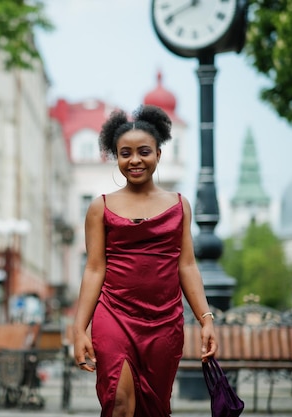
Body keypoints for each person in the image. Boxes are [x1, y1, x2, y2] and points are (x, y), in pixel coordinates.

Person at [72, 105, 218, 417]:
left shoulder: (180, 206)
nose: (135, 160)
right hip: (114, 316)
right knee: (120, 404)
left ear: (159, 155)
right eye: (125, 153)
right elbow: (94, 268)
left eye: (144, 152)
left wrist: (206, 319)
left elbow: (187, 266)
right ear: (116, 157)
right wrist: (79, 328)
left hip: (164, 324)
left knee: (155, 408)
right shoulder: (100, 208)